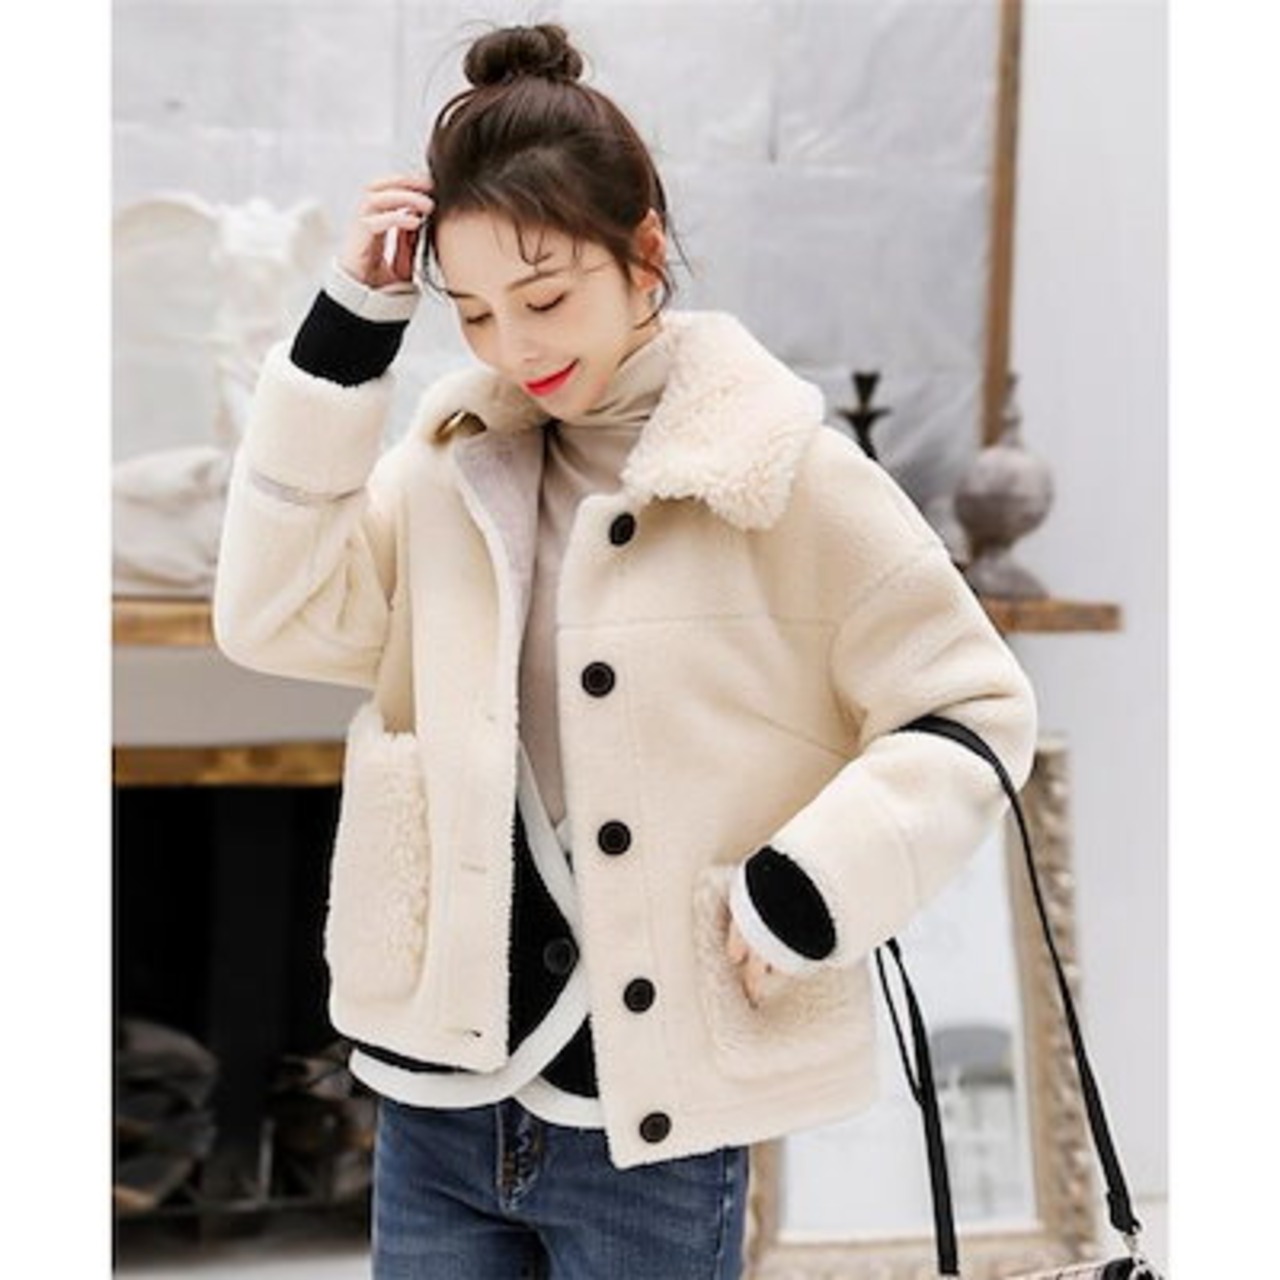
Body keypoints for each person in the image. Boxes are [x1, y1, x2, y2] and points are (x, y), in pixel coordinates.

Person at [214, 21, 1037, 1280]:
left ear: (643, 250)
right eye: (473, 312)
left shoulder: (783, 472)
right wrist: (346, 334)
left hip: (649, 1122)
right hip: (436, 1102)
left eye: (544, 298)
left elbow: (974, 705)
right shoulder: (449, 468)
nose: (514, 346)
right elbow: (271, 613)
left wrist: (812, 881)